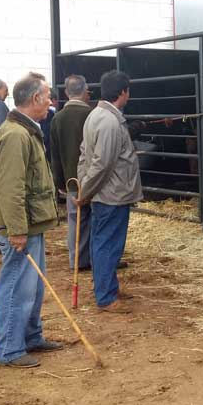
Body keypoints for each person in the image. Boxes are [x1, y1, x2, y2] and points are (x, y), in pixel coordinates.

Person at [0, 74, 63, 368]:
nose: (50, 102)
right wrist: (16, 230)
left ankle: (31, 337)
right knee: (18, 286)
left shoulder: (25, 130)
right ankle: (9, 349)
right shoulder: (17, 135)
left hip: (33, 223)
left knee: (33, 286)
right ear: (34, 99)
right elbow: (10, 189)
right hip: (21, 227)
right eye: (47, 96)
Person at [77, 70, 142, 313]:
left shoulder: (96, 115)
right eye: (128, 90)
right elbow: (102, 163)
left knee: (103, 241)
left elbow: (85, 155)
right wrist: (85, 191)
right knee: (107, 243)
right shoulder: (110, 122)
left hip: (107, 192)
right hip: (112, 194)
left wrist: (84, 184)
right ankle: (105, 296)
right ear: (123, 92)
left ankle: (108, 287)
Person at [50, 75, 93, 271]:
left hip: (71, 180)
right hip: (94, 178)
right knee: (95, 217)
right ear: (86, 91)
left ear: (66, 93)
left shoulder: (57, 118)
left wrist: (59, 181)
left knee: (75, 219)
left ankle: (76, 260)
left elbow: (55, 154)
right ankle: (94, 258)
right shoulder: (92, 115)